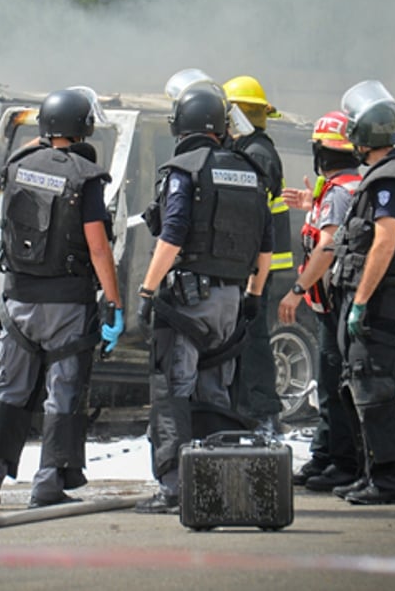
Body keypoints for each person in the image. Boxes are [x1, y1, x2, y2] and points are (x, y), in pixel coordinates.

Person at [0, 87, 124, 510]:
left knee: (8, 388)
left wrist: (47, 137)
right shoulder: (85, 177)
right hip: (67, 306)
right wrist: (113, 300)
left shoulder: (17, 167)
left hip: (17, 302)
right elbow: (98, 247)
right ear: (84, 128)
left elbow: (32, 156)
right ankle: (47, 483)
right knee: (61, 394)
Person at [133, 80, 273, 514]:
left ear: (182, 125)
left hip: (187, 304)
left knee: (174, 389)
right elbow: (265, 245)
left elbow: (172, 235)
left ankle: (174, 489)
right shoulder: (251, 171)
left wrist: (146, 290)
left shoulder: (184, 170)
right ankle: (214, 486)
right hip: (231, 303)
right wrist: (253, 295)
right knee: (216, 394)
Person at [329, 80, 395, 505]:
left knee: (373, 391)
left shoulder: (389, 178)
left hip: (374, 299)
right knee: (357, 385)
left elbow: (384, 241)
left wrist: (359, 302)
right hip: (368, 297)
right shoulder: (388, 172)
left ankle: (388, 482)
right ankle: (370, 474)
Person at [277, 110, 363, 492]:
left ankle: (343, 463)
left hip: (335, 303)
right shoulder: (340, 188)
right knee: (328, 384)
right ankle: (326, 455)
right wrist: (309, 206)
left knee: (334, 384)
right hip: (331, 302)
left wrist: (297, 290)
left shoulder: (340, 193)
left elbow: (327, 247)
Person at [222, 75, 291, 435]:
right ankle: (245, 412)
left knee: (253, 343)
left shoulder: (257, 153)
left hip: (257, 268)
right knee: (244, 341)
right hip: (253, 264)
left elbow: (251, 214)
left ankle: (263, 413)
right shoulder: (251, 148)